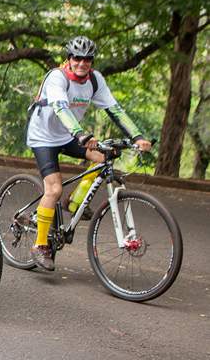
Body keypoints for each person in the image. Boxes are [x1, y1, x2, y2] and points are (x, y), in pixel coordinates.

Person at [25, 36, 151, 271]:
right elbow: (61, 108)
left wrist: (137, 136)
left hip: (69, 135)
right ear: (69, 59)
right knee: (53, 189)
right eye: (77, 58)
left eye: (87, 59)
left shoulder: (95, 80)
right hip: (43, 137)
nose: (82, 63)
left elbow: (114, 109)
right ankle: (40, 245)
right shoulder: (57, 77)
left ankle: (74, 203)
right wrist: (81, 134)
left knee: (104, 158)